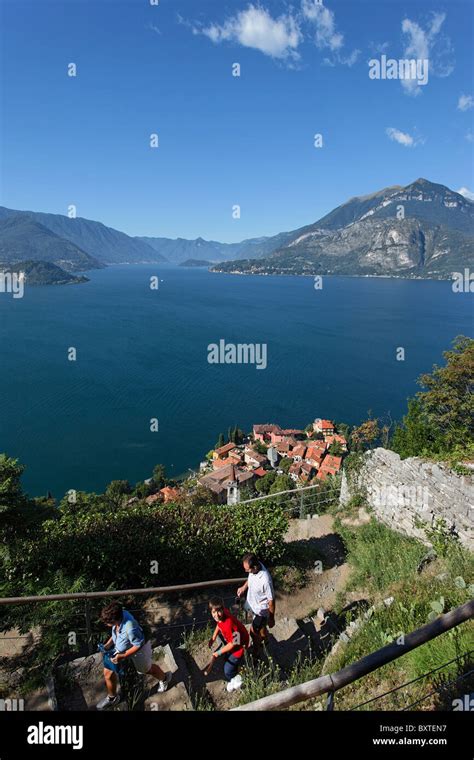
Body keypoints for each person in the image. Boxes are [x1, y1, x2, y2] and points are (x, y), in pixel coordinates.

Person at [96, 601, 171, 710]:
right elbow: (116, 633)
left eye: (107, 622)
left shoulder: (130, 627)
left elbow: (138, 644)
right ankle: (112, 698)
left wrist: (123, 656)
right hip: (124, 647)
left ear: (114, 620)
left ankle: (164, 678)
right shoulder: (120, 616)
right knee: (107, 673)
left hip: (139, 651)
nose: (106, 625)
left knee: (146, 670)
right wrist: (108, 644)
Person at [205, 597, 250, 692]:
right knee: (227, 657)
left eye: (218, 611)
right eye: (213, 612)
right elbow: (219, 624)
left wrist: (218, 652)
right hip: (234, 642)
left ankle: (237, 679)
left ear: (223, 609)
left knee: (227, 671)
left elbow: (235, 643)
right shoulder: (222, 615)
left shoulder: (230, 624)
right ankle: (237, 666)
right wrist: (213, 638)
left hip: (239, 647)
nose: (216, 615)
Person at [237, 553, 275, 658]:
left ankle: (256, 652)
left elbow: (271, 601)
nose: (245, 571)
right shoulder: (255, 568)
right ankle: (265, 640)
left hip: (261, 611)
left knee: (253, 633)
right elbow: (250, 579)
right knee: (261, 628)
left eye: (247, 569)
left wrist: (271, 618)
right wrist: (243, 587)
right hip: (252, 604)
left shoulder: (265, 580)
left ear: (254, 567)